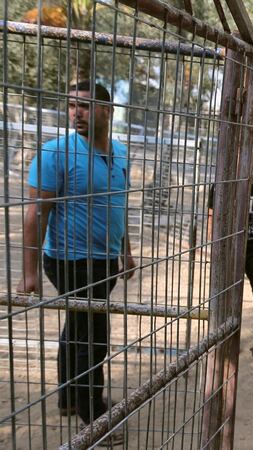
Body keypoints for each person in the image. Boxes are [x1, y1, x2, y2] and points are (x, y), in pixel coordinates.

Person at [16, 81, 135, 443]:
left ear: (106, 111)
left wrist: (125, 251)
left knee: (78, 326)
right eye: (71, 106)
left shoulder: (120, 153)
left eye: (84, 106)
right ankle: (93, 416)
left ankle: (69, 398)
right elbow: (36, 214)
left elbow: (119, 205)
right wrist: (29, 274)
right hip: (70, 260)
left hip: (103, 261)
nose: (75, 112)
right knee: (93, 338)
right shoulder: (56, 153)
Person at [207, 147, 253, 341]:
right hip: (229, 250)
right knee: (226, 295)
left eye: (251, 158)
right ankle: (222, 334)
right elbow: (212, 216)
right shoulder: (222, 186)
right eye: (243, 158)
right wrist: (213, 243)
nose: (247, 162)